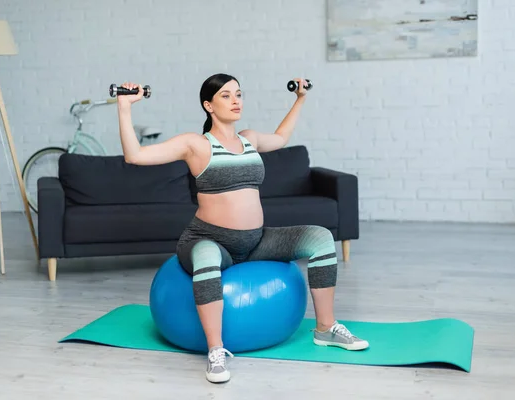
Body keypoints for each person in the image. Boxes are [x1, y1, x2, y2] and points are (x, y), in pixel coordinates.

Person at [117, 73, 369, 384]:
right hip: (208, 239)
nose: (236, 100)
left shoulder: (249, 139)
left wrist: (300, 99)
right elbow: (135, 155)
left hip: (255, 240)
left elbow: (280, 137)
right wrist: (125, 107)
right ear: (208, 105)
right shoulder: (195, 144)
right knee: (207, 257)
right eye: (226, 95)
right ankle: (216, 351)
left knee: (321, 237)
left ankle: (325, 328)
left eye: (239, 93)